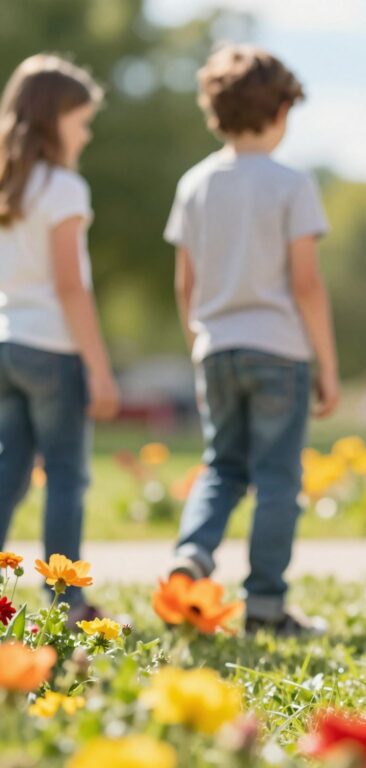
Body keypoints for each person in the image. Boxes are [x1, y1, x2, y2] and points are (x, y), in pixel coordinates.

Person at [165, 45, 339, 636]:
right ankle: (264, 606)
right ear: (282, 110)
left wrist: (199, 340)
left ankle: (191, 557)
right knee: (276, 481)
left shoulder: (194, 184)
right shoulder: (292, 184)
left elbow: (185, 282)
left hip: (215, 347)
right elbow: (307, 284)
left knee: (221, 468)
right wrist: (327, 364)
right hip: (278, 350)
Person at [0, 54, 118, 620]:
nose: (88, 131)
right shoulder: (64, 188)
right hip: (53, 349)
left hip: (9, 344)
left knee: (9, 470)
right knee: (67, 476)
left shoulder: (10, 184)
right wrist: (98, 368)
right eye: (81, 119)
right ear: (54, 119)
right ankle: (66, 598)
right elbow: (72, 287)